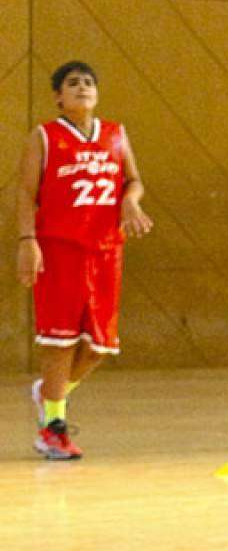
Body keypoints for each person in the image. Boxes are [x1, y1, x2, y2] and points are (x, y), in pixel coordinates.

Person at [18, 61, 153, 460]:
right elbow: (25, 193)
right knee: (59, 341)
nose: (83, 87)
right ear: (59, 96)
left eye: (89, 82)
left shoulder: (115, 134)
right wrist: (27, 240)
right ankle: (52, 428)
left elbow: (134, 179)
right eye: (73, 83)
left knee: (99, 346)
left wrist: (130, 200)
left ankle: (49, 392)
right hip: (59, 247)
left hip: (107, 249)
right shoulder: (45, 136)